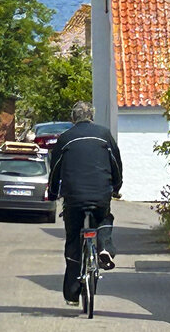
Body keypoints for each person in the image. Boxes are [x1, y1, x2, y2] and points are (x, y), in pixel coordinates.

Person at [46, 101, 123, 305]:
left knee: (73, 239)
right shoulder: (104, 135)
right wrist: (116, 187)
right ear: (92, 115)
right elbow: (116, 163)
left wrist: (53, 193)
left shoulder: (65, 138)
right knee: (104, 217)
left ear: (73, 118)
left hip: (74, 198)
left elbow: (55, 171)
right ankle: (105, 247)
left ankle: (72, 293)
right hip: (100, 195)